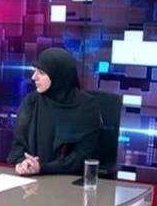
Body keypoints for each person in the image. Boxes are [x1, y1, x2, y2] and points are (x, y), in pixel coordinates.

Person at [7, 48, 102, 176]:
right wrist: (23, 163)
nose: (34, 77)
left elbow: (81, 158)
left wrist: (43, 168)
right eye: (35, 71)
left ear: (59, 75)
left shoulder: (87, 107)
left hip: (69, 181)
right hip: (33, 180)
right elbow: (18, 145)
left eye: (41, 72)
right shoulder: (32, 101)